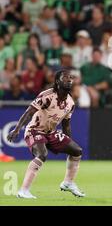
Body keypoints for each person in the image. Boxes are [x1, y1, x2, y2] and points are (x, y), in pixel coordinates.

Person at [7, 70, 85, 199]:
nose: (69, 79)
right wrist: (16, 129)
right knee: (42, 154)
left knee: (77, 151)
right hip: (34, 130)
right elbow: (29, 112)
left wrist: (66, 141)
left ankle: (68, 182)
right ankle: (23, 190)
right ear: (57, 81)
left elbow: (66, 125)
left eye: (70, 77)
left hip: (51, 132)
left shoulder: (70, 103)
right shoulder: (47, 95)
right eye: (65, 77)